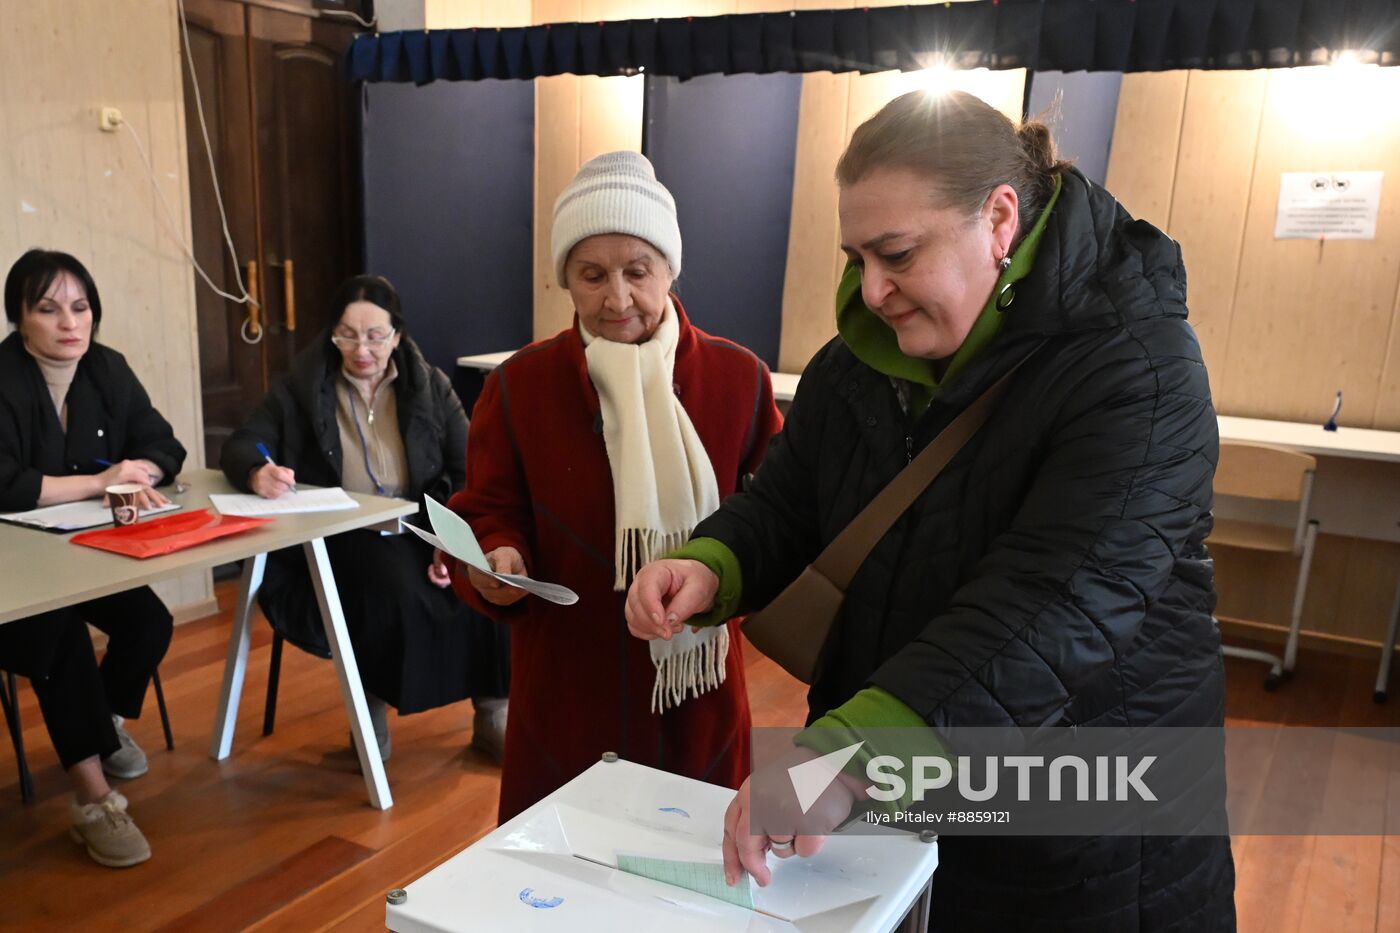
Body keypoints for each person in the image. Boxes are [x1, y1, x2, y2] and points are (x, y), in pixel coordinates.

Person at [627, 90, 1236, 930]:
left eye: (898, 254)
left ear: (998, 218)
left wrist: (844, 761)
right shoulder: (857, 364)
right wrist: (712, 562)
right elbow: (789, 499)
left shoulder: (1137, 368)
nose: (872, 290)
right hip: (898, 768)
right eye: (856, 257)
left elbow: (1052, 610)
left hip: (1078, 816)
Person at [448, 151, 784, 822]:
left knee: (694, 888)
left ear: (671, 269)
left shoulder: (738, 379)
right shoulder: (520, 386)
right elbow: (488, 511)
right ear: (564, 280)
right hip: (566, 685)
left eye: (638, 271)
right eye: (591, 274)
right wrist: (495, 558)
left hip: (699, 690)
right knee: (559, 889)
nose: (617, 298)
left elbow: (778, 514)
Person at [220, 275, 508, 760]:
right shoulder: (302, 386)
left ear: (397, 335)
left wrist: (449, 539)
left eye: (375, 335)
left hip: (421, 520)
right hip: (345, 532)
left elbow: (467, 465)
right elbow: (242, 443)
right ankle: (368, 726)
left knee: (486, 576)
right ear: (332, 334)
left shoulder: (430, 385)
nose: (362, 349)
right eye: (347, 335)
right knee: (388, 590)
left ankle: (493, 715)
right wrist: (257, 471)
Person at [0, 249, 185, 867]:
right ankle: (90, 797)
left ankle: (100, 727)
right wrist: (99, 481)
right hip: (12, 570)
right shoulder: (1, 375)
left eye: (80, 307)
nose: (68, 323)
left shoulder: (107, 369)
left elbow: (164, 444)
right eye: (48, 309)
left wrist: (140, 473)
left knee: (150, 623)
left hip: (83, 548)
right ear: (19, 318)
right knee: (61, 634)